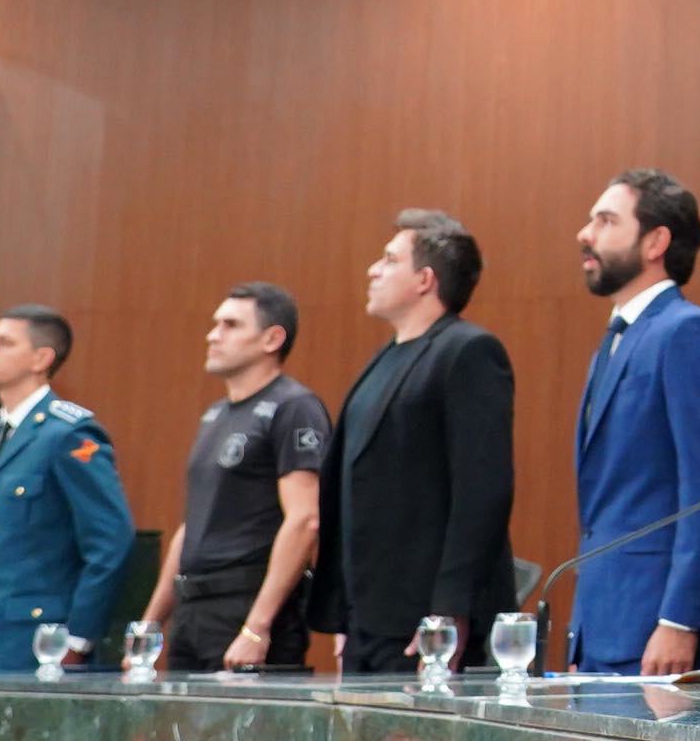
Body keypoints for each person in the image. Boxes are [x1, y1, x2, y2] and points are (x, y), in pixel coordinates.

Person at [311, 211, 515, 677]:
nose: (373, 270)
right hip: (366, 619)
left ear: (425, 279)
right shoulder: (384, 357)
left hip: (424, 622)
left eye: (389, 260)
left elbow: (482, 492)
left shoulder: (468, 351)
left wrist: (449, 611)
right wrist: (345, 609)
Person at [566, 172, 700, 676]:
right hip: (605, 626)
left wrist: (679, 619)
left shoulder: (687, 332)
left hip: (660, 631)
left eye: (606, 221)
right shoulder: (616, 339)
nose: (585, 234)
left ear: (655, 242)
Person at [142, 283, 331, 672]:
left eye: (230, 325)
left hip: (246, 604)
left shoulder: (293, 407)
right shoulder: (215, 415)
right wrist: (151, 624)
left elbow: (305, 519)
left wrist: (256, 628)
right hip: (192, 607)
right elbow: (192, 526)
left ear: (271, 339)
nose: (213, 336)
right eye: (216, 324)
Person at [0, 305, 132, 674]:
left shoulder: (67, 433)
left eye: (4, 343)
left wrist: (78, 638)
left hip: (42, 642)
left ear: (41, 358)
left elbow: (110, 541)